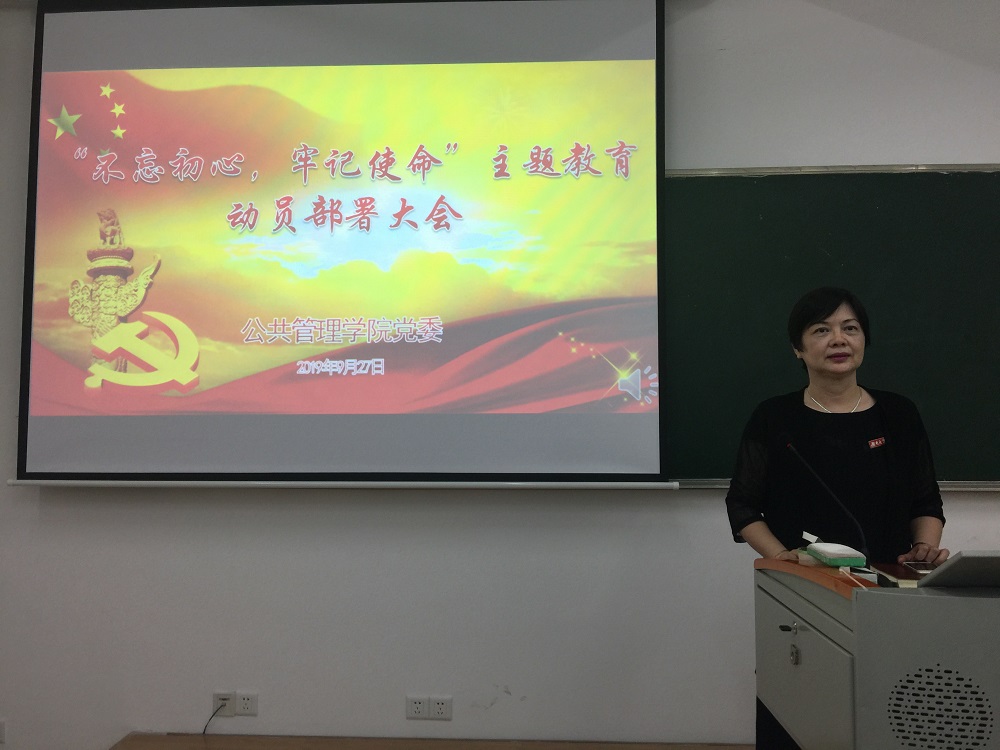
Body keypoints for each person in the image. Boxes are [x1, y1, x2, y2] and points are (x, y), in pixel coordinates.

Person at [724, 286, 948, 749]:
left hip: (886, 595)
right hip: (802, 592)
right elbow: (743, 504)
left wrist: (923, 551)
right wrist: (781, 557)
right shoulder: (775, 419)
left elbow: (926, 501)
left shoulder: (898, 414)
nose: (839, 339)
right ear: (798, 348)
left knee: (884, 714)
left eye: (850, 328)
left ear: (864, 340)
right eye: (821, 330)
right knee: (800, 711)